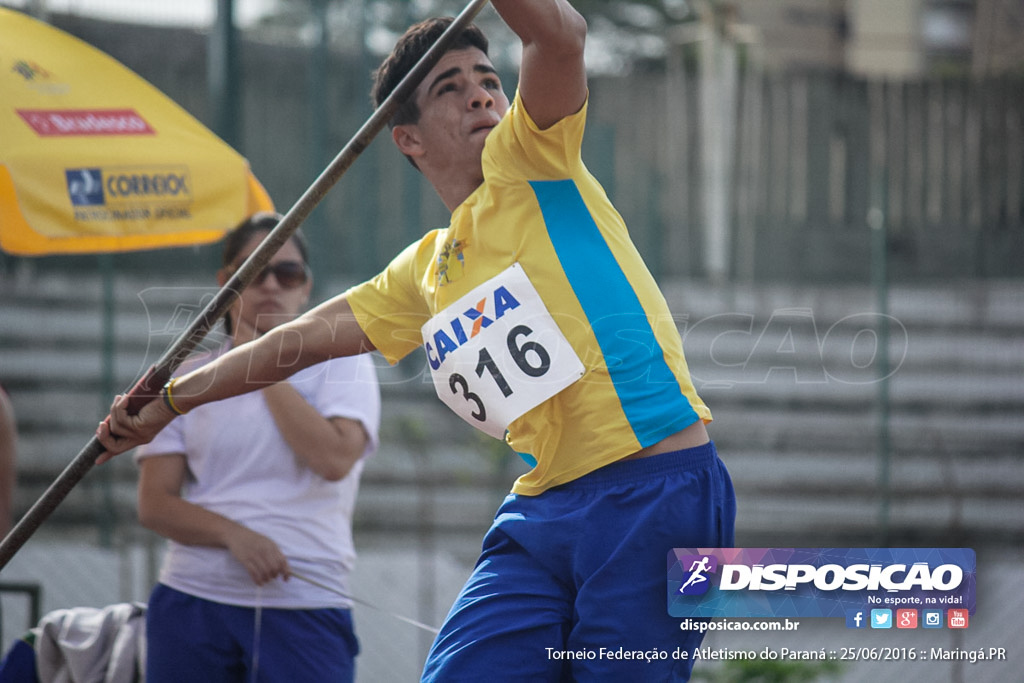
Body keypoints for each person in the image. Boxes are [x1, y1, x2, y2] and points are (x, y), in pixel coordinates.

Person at [99, 3, 736, 680]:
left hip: (654, 491)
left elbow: (559, 35)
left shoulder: (534, 158)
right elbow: (300, 339)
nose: (481, 92)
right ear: (408, 139)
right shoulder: (426, 271)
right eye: (450, 86)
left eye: (487, 77)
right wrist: (171, 398)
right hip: (544, 509)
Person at [129, 213, 380, 683]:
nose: (270, 284)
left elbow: (333, 460)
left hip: (303, 600)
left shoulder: (342, 364)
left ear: (306, 288)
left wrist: (258, 363)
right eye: (253, 271)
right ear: (226, 282)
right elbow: (154, 504)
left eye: (287, 273)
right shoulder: (184, 381)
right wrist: (234, 535)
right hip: (192, 599)